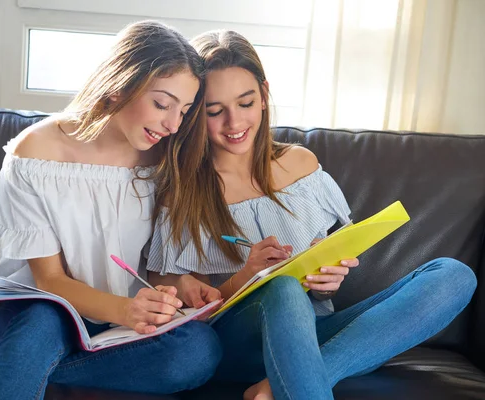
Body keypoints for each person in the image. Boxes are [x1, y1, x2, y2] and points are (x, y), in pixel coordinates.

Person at [147, 30, 477, 400]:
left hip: (319, 336)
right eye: (214, 111)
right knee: (283, 287)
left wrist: (330, 276)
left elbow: (332, 262)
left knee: (454, 275)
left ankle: (280, 385)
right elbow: (185, 318)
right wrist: (249, 275)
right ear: (195, 113)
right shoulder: (183, 190)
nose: (234, 123)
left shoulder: (301, 164)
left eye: (246, 103)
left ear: (265, 95)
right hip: (237, 345)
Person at [0, 20, 222, 399]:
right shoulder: (36, 153)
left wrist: (179, 285)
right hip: (39, 316)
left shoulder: (166, 158)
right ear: (120, 84)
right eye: (161, 104)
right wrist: (124, 310)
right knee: (43, 321)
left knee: (199, 351)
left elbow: (154, 266)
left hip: (122, 327)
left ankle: (7, 367)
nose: (173, 124)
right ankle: (19, 362)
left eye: (185, 110)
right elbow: (50, 282)